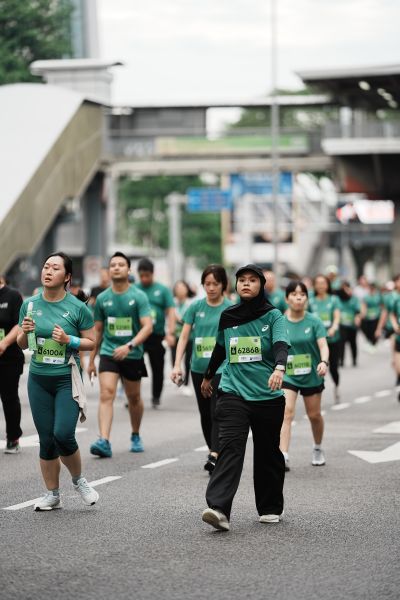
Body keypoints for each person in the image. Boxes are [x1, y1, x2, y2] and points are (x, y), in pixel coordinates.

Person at [200, 264, 289, 531]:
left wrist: (279, 367)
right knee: (229, 447)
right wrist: (207, 376)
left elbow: (281, 345)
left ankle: (270, 507)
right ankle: (218, 508)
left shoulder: (274, 316)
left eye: (252, 280)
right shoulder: (228, 316)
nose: (246, 284)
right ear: (236, 285)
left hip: (267, 395)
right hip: (233, 392)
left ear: (261, 285)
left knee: (267, 452)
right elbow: (220, 348)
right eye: (242, 280)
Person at [17, 252, 99, 511]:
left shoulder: (77, 308)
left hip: (66, 379)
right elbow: (22, 344)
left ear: (67, 276)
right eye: (46, 266)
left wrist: (68, 340)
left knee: (63, 435)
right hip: (38, 380)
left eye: (55, 268)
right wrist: (24, 333)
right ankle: (52, 495)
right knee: (46, 439)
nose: (48, 271)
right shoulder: (30, 305)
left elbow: (91, 342)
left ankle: (79, 481)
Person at [88, 252, 153, 458]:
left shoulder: (138, 296)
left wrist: (130, 346)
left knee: (134, 397)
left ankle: (135, 434)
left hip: (132, 354)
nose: (116, 267)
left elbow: (148, 326)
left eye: (121, 264)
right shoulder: (102, 299)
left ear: (128, 269)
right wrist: (91, 360)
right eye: (113, 265)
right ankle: (104, 440)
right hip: (108, 353)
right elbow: (98, 331)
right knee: (106, 393)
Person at [171, 265, 231, 473]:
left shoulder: (231, 308)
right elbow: (184, 337)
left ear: (223, 284)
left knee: (216, 410)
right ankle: (213, 451)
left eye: (215, 283)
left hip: (222, 367)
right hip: (197, 367)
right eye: (207, 284)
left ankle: (214, 454)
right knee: (205, 413)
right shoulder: (195, 307)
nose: (211, 288)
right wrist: (177, 364)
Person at [280, 281, 329, 471]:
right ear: (287, 299)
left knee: (314, 415)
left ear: (307, 299)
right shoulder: (280, 322)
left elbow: (323, 345)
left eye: (302, 294)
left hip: (312, 374)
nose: (298, 298)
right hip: (288, 375)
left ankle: (317, 448)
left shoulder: (314, 321)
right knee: (286, 412)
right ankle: (283, 455)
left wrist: (323, 362)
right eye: (294, 294)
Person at [136, 258, 176, 409]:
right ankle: (133, 397)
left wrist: (170, 333)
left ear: (152, 274)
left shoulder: (163, 290)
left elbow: (171, 312)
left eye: (147, 275)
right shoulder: (135, 289)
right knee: (134, 367)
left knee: (157, 367)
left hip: (156, 335)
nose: (144, 279)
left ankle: (156, 397)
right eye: (141, 276)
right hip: (138, 336)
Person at [0, 275, 24, 453]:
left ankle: (13, 438)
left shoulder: (13, 296)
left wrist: (4, 343)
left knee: (9, 398)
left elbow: (19, 324)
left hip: (9, 358)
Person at [309, 274, 341, 403]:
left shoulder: (334, 299)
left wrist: (334, 327)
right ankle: (318, 391)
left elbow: (337, 317)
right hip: (316, 341)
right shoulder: (311, 301)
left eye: (323, 283)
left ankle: (336, 386)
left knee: (333, 367)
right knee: (318, 367)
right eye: (318, 283)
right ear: (314, 285)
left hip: (332, 339)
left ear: (328, 285)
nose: (321, 286)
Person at [171, 280, 194, 397]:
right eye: (177, 287)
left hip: (189, 337)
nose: (179, 290)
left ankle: (186, 384)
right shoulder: (172, 303)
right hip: (175, 336)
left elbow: (189, 321)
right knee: (175, 360)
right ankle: (179, 382)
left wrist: (178, 318)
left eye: (182, 287)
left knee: (187, 361)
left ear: (187, 289)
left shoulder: (191, 303)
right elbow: (168, 320)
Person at [337, 281, 361, 367]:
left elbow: (358, 311)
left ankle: (354, 360)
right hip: (342, 324)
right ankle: (341, 360)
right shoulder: (338, 298)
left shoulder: (354, 299)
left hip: (352, 325)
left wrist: (357, 318)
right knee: (341, 343)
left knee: (353, 343)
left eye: (347, 289)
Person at [360, 282, 383, 348]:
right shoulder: (366, 297)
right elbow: (364, 305)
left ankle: (374, 342)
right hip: (368, 317)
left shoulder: (378, 296)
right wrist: (362, 314)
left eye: (373, 288)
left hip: (376, 317)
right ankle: (370, 341)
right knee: (368, 330)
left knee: (374, 330)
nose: (372, 289)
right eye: (370, 288)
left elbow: (382, 305)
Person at [390, 282, 400, 401]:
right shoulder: (396, 300)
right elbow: (391, 314)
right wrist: (395, 325)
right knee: (398, 368)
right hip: (399, 338)